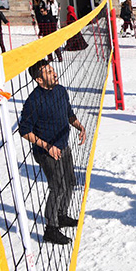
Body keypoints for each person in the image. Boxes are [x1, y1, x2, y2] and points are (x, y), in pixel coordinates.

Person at [19, 59, 86, 244]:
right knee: (57, 187)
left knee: (70, 182)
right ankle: (51, 228)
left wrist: (79, 126)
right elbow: (24, 131)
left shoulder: (61, 90)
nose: (54, 73)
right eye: (48, 72)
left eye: (52, 69)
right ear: (39, 80)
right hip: (46, 152)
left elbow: (69, 113)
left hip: (63, 146)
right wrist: (47, 146)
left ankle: (61, 215)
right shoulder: (34, 101)